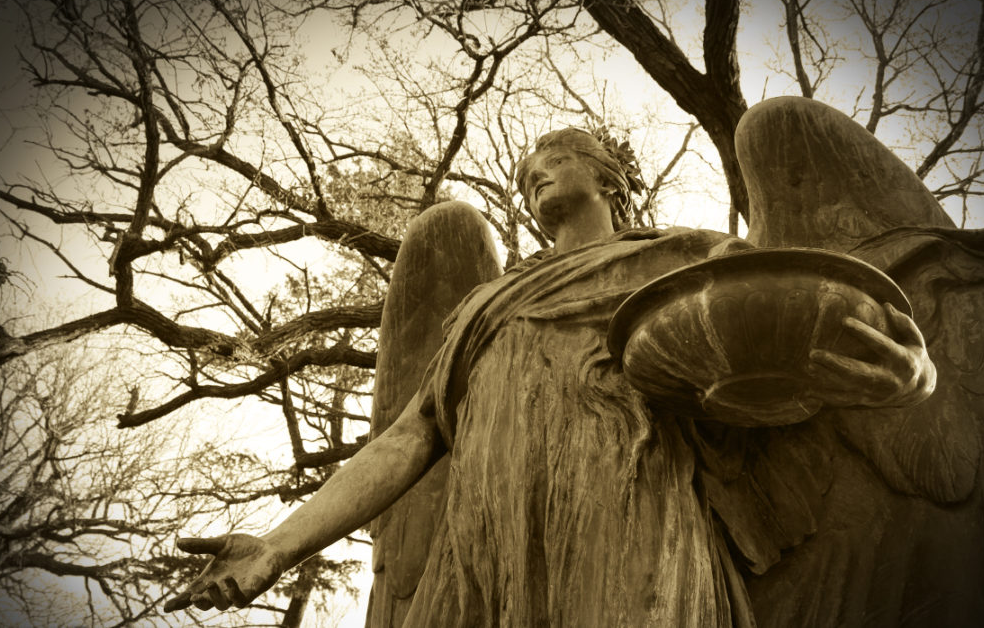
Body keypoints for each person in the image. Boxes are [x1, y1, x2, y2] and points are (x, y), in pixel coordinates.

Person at [163, 127, 934, 625]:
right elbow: (406, 441)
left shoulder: (685, 257)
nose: (532, 175)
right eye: (526, 173)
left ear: (608, 179)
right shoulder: (481, 305)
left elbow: (812, 333)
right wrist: (275, 545)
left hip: (624, 503)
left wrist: (911, 375)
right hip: (482, 537)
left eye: (553, 160)